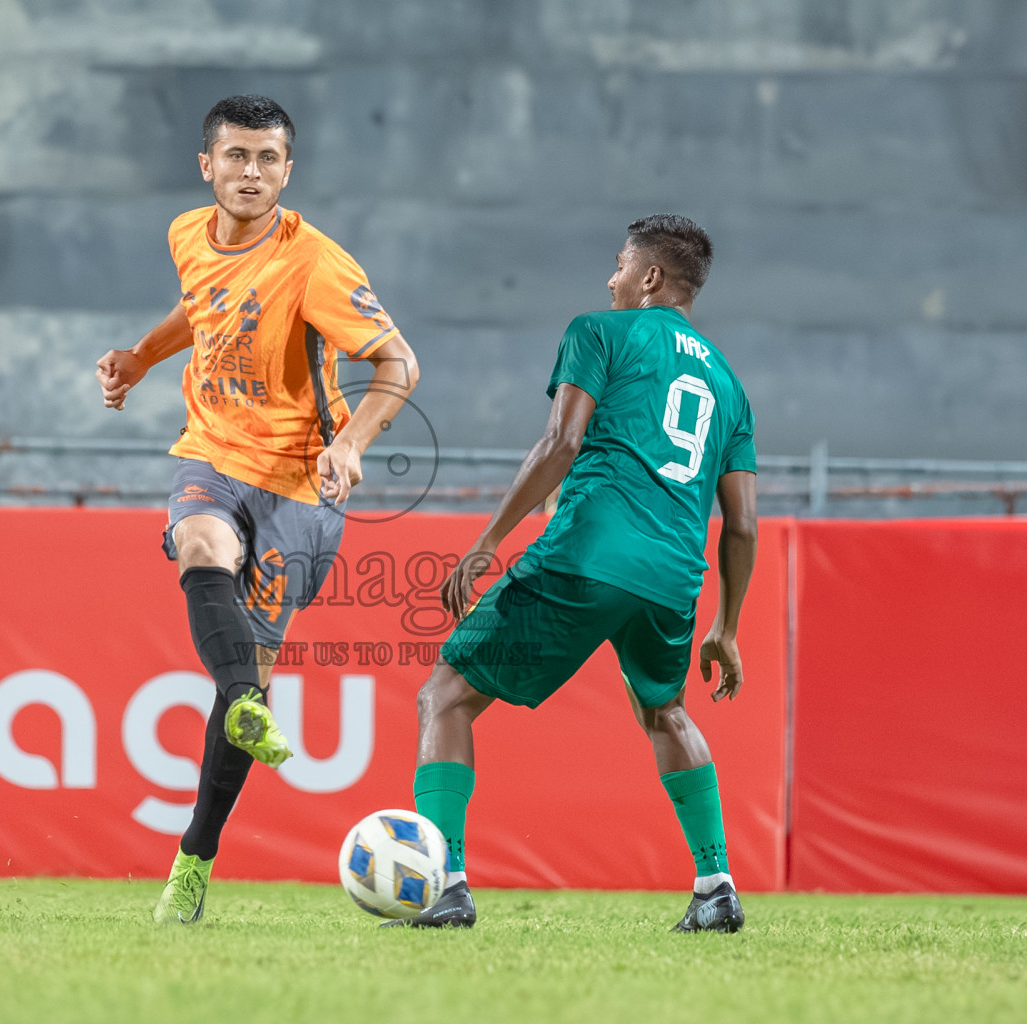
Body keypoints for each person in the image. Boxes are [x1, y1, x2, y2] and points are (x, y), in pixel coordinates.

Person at [95, 95, 419, 924]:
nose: (251, 172)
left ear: (287, 168)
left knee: (249, 694)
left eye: (267, 159)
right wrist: (139, 357)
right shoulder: (184, 233)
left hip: (301, 484)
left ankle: (193, 861)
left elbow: (398, 365)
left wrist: (352, 444)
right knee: (200, 543)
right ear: (207, 166)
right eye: (236, 157)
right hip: (212, 454)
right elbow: (201, 309)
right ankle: (243, 696)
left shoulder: (316, 262)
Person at [395, 214, 757, 932]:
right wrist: (728, 627)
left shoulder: (599, 331)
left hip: (588, 554)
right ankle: (716, 887)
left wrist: (489, 539)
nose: (611, 277)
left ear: (650, 278)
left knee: (445, 696)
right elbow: (742, 524)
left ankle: (446, 884)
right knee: (665, 710)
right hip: (673, 579)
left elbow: (561, 442)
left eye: (621, 264)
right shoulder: (731, 387)